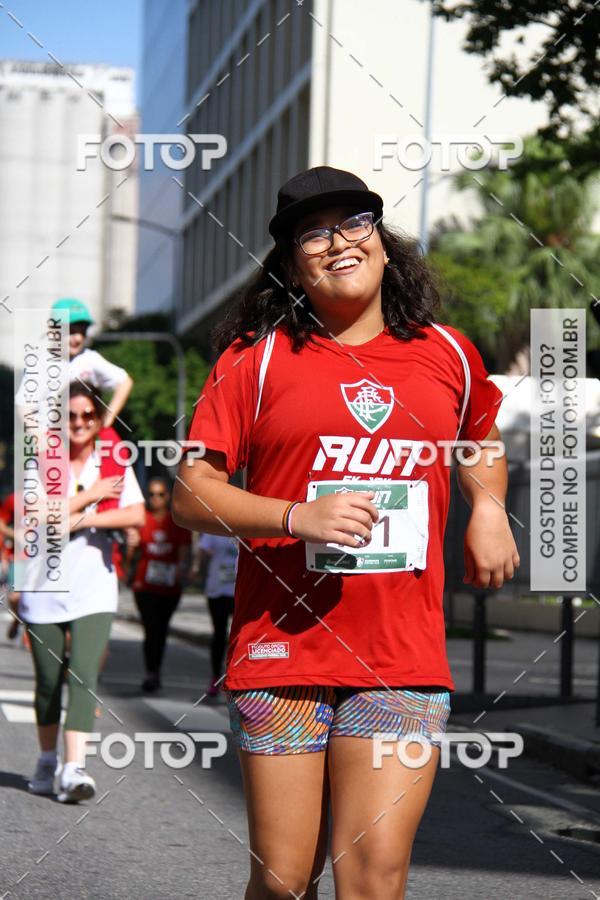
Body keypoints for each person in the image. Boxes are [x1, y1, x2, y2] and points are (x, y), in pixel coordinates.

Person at [173, 165, 520, 899]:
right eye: (314, 234)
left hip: (400, 656)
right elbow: (191, 493)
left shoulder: (448, 353)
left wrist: (488, 508)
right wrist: (295, 516)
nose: (338, 243)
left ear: (384, 243)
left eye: (354, 223)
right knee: (283, 880)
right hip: (282, 650)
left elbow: (481, 442)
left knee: (373, 877)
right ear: (291, 261)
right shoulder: (255, 360)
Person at [20, 382, 144, 803]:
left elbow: (135, 513)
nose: (79, 422)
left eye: (87, 414)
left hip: (95, 587)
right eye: (70, 415)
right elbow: (35, 515)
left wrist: (76, 518)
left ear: (98, 418)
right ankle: (46, 760)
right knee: (47, 683)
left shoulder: (113, 460)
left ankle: (74, 768)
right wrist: (92, 497)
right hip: (43, 586)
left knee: (83, 674)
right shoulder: (41, 462)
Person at [126, 477, 191, 692]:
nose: (156, 499)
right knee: (151, 628)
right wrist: (130, 549)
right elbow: (131, 553)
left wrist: (182, 568)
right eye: (152, 494)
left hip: (169, 587)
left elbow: (183, 552)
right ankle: (150, 672)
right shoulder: (141, 519)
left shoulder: (177, 521)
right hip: (145, 585)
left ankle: (156, 670)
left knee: (161, 630)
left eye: (161, 494)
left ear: (168, 496)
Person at [195, 533, 238, 697]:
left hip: (240, 591)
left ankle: (236, 677)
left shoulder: (245, 525)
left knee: (240, 636)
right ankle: (215, 677)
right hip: (217, 589)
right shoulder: (214, 529)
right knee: (219, 634)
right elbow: (203, 552)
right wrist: (199, 570)